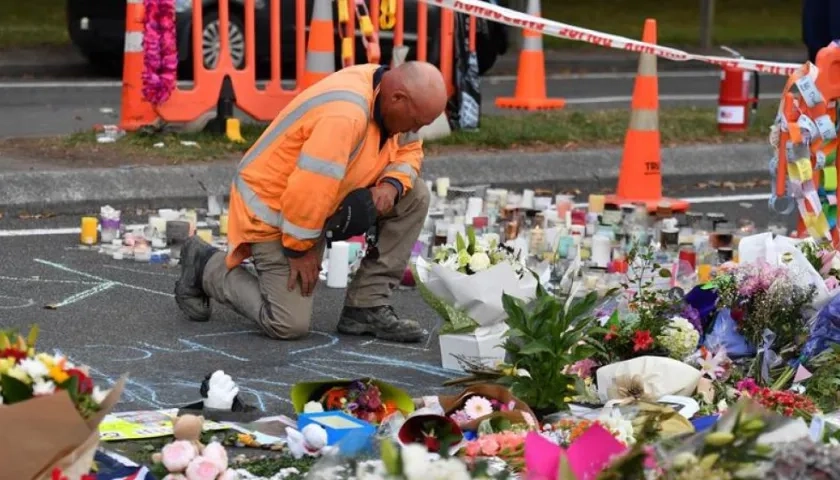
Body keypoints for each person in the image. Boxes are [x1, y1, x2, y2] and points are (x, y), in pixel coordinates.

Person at [174, 61, 448, 343]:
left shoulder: (390, 91)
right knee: (288, 324)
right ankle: (205, 264)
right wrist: (299, 249)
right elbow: (308, 190)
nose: (416, 129)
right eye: (416, 121)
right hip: (276, 213)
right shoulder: (346, 115)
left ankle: (366, 306)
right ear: (398, 98)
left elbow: (410, 148)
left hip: (321, 201)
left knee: (414, 195)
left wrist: (391, 185)